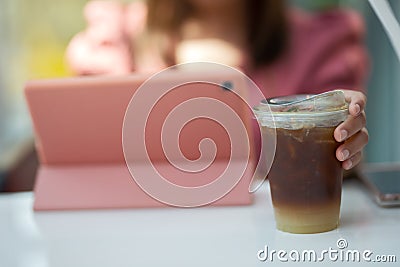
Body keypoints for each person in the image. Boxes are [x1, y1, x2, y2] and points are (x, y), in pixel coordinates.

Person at [66, 0, 369, 171]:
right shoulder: (115, 41)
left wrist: (343, 142)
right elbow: (86, 159)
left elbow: (330, 164)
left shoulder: (320, 44)